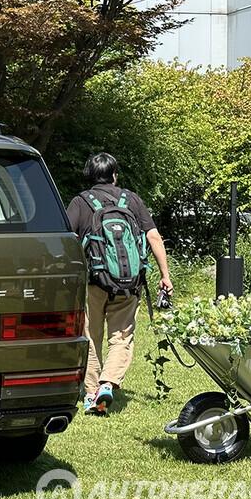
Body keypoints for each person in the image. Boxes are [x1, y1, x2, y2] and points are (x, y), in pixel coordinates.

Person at [66, 153, 173, 415]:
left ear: (90, 175)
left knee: (91, 336)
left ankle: (91, 393)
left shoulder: (81, 202)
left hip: (93, 282)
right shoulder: (131, 200)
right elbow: (154, 237)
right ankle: (108, 383)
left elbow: (67, 240)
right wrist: (165, 275)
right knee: (121, 337)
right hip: (128, 283)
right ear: (114, 175)